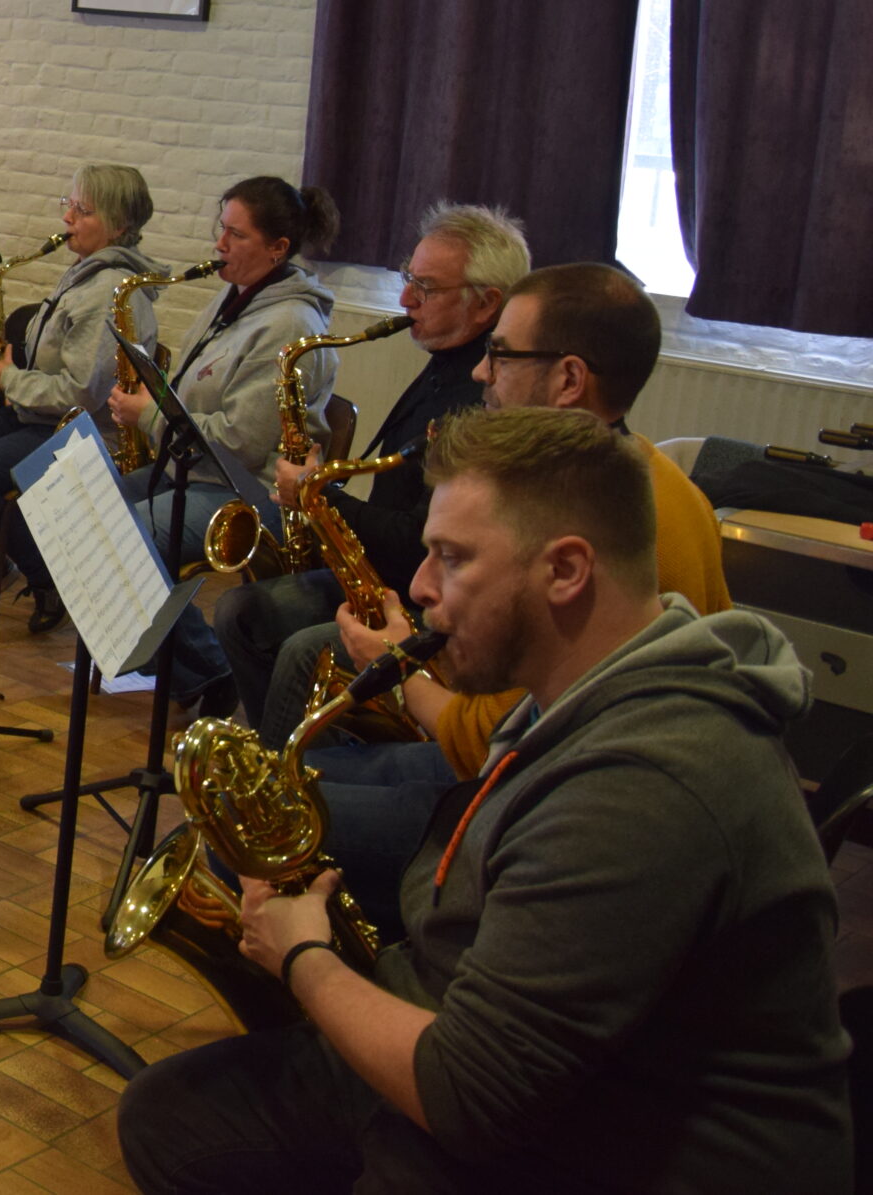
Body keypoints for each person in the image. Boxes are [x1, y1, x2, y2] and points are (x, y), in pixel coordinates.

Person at [114, 406, 850, 1195]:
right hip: (544, 1084)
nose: (421, 587)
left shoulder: (646, 784)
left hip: (623, 1149)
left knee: (199, 1134)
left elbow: (473, 1099)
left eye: (450, 557)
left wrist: (303, 957)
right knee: (170, 1112)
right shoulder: (584, 693)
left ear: (565, 571)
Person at [266, 262, 735, 939]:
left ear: (570, 379)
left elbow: (495, 744)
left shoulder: (583, 525)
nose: (481, 374)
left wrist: (398, 666)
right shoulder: (649, 477)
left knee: (267, 819)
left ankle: (359, 987)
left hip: (540, 802)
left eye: (501, 354)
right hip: (533, 769)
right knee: (293, 769)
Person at [213, 202, 528, 723]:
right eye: (409, 278)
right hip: (385, 576)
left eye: (426, 287)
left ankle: (302, 768)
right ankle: (286, 743)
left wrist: (319, 493)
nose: (406, 299)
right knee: (241, 612)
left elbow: (415, 542)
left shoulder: (478, 401)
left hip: (418, 598)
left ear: (486, 304)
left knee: (293, 647)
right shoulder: (443, 367)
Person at [103, 175, 340, 708]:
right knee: (92, 512)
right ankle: (174, 661)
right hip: (196, 468)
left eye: (235, 235)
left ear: (278, 249)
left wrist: (149, 416)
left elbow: (240, 443)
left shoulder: (288, 325)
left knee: (129, 536)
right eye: (221, 230)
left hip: (248, 493)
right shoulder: (235, 296)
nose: (219, 245)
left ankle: (208, 671)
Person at [0, 164, 164, 621]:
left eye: (82, 210)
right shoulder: (85, 273)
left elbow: (80, 393)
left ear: (118, 226)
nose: (67, 218)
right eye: (69, 205)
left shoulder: (109, 292)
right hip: (39, 416)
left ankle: (48, 575)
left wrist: (9, 379)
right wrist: (10, 370)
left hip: (77, 431)